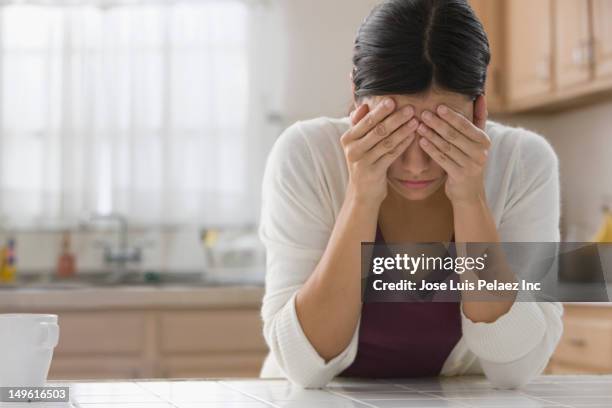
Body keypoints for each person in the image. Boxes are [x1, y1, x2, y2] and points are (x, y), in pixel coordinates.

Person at [257, 0, 563, 389]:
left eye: (441, 132)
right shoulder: (305, 153)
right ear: (356, 98)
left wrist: (470, 198)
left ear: (478, 108)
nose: (416, 165)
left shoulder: (525, 161)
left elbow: (517, 367)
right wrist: (361, 198)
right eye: (393, 129)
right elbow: (302, 367)